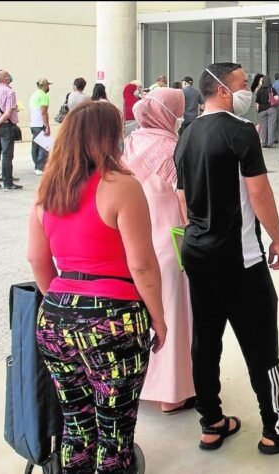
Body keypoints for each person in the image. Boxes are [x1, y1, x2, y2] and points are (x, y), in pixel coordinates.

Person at [174, 62, 279, 454]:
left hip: (197, 251)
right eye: (242, 84)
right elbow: (259, 194)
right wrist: (277, 239)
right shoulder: (241, 133)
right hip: (238, 256)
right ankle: (276, 427)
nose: (247, 91)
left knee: (206, 340)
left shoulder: (186, 133)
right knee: (261, 342)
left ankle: (211, 422)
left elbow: (182, 197)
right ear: (222, 89)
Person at [27, 100, 167, 473]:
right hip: (114, 320)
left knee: (75, 420)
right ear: (107, 139)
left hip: (54, 318)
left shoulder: (48, 191)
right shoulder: (122, 187)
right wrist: (159, 316)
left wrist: (63, 302)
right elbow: (142, 264)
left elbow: (37, 260)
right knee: (115, 427)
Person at [123, 88, 196, 414]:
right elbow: (184, 201)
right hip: (170, 243)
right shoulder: (175, 149)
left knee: (143, 316)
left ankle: (141, 385)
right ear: (170, 114)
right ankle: (172, 393)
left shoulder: (130, 143)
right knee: (173, 315)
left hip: (135, 241)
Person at [29, 78, 52, 176]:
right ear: (44, 86)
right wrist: (47, 125)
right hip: (40, 123)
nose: (48, 87)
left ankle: (36, 165)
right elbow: (43, 112)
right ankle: (40, 167)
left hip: (33, 123)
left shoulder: (34, 95)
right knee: (45, 145)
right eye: (48, 85)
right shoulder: (44, 96)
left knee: (35, 146)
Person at [255, 75, 277, 148]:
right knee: (271, 126)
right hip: (271, 109)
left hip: (261, 110)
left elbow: (257, 102)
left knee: (263, 127)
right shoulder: (272, 89)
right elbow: (276, 98)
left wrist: (258, 111)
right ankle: (270, 144)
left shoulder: (259, 90)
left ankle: (264, 143)